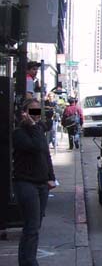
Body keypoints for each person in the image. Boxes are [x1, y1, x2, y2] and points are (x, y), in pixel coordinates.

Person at [13, 98, 57, 266]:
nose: (35, 114)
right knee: (31, 226)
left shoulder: (38, 129)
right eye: (32, 110)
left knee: (35, 226)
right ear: (24, 112)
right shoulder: (19, 132)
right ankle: (29, 262)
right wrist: (31, 126)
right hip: (25, 183)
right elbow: (37, 146)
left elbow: (45, 154)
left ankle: (26, 260)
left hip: (41, 183)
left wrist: (51, 177)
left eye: (37, 110)